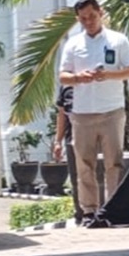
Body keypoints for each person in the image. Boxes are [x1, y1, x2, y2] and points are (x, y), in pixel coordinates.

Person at [58, 0, 129, 227]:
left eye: (92, 16)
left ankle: (112, 208)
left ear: (100, 13)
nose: (88, 22)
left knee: (114, 162)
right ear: (78, 19)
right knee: (85, 164)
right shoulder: (72, 44)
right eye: (83, 19)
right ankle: (89, 212)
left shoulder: (118, 40)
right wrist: (78, 78)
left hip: (112, 110)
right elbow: (63, 77)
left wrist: (108, 75)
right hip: (82, 113)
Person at [51, 85, 82, 221]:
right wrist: (58, 141)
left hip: (96, 138)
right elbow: (61, 115)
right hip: (72, 139)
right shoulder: (66, 86)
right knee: (76, 178)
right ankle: (80, 214)